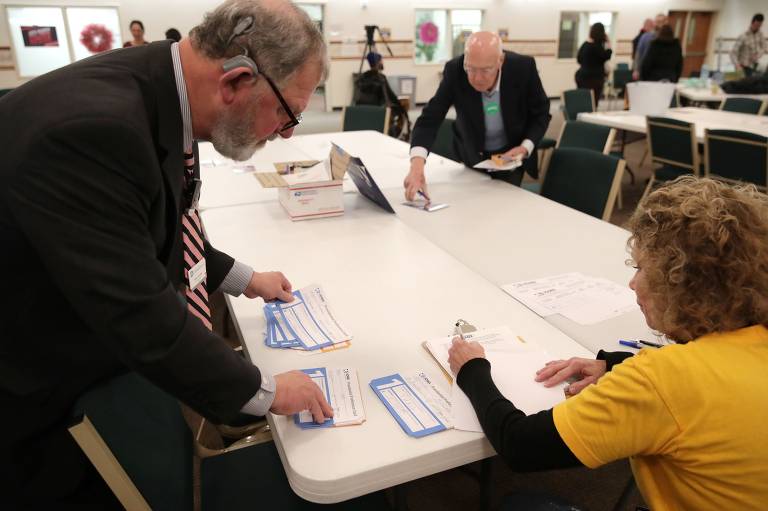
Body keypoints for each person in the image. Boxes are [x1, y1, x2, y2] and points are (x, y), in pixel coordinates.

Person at [0, 0, 333, 507]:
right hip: (32, 383)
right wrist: (265, 390)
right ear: (237, 82)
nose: (287, 132)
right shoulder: (95, 131)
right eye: (289, 113)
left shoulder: (164, 86)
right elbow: (139, 315)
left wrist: (244, 278)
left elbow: (160, 222)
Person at [448, 176, 768, 509]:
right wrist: (613, 364)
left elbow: (519, 445)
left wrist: (472, 369)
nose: (632, 283)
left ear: (680, 283)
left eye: (641, 268)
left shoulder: (661, 381)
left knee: (520, 505)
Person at [404, 31, 550, 196]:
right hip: (472, 154)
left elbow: (541, 113)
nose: (477, 78)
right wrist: (416, 167)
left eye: (486, 70)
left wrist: (525, 147)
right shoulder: (455, 71)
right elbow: (430, 118)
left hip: (511, 157)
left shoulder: (523, 68)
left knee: (507, 206)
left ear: (500, 61)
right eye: (471, 69)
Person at [352, 51, 409, 138]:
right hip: (380, 113)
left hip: (362, 112)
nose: (383, 62)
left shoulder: (361, 78)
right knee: (404, 103)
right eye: (381, 60)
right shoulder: (381, 78)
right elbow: (391, 96)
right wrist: (402, 108)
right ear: (378, 62)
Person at [574, 22, 612, 108]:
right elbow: (607, 56)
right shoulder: (598, 47)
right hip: (595, 79)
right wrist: (609, 43)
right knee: (593, 103)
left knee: (582, 100)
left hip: (581, 76)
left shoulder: (585, 44)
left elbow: (579, 59)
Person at [633, 13, 667, 80]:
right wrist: (636, 70)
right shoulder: (646, 37)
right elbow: (638, 54)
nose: (659, 25)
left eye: (661, 22)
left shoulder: (668, 39)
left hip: (662, 75)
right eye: (657, 22)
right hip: (646, 73)